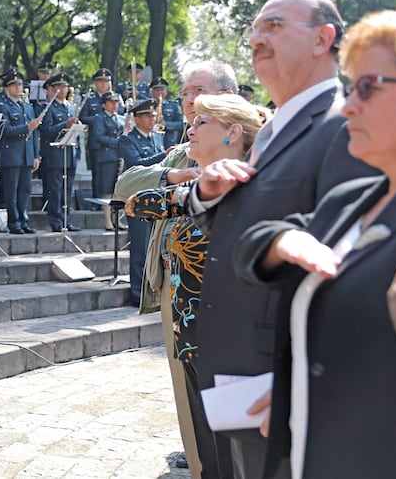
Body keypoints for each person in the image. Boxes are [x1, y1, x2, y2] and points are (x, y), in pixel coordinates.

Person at [189, 0, 377, 478]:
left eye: (274, 26)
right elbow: (262, 226)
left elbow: (348, 262)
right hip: (239, 377)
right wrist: (210, 196)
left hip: (279, 383)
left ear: (323, 38)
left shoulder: (344, 125)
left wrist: (307, 378)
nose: (257, 39)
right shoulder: (274, 130)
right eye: (254, 30)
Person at [234, 10, 396, 479]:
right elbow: (251, 246)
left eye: (367, 87)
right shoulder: (353, 200)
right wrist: (284, 239)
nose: (349, 106)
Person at [126, 94, 268, 477]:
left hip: (232, 349)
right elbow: (134, 204)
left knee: (240, 460)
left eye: (203, 121)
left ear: (233, 132)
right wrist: (189, 184)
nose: (190, 126)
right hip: (191, 342)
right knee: (211, 457)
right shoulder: (200, 192)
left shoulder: (252, 188)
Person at [114, 60, 238, 476]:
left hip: (224, 287)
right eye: (185, 94)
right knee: (184, 374)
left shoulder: (249, 145)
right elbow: (127, 187)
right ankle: (199, 454)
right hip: (176, 281)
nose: (187, 100)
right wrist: (178, 174)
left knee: (226, 381)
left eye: (197, 92)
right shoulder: (183, 149)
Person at [118, 98, 166, 305]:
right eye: (147, 116)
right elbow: (136, 164)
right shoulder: (127, 140)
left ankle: (152, 291)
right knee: (139, 248)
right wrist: (163, 156)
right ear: (136, 119)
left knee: (154, 248)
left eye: (153, 116)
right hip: (138, 199)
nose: (152, 119)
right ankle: (137, 294)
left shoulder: (156, 137)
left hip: (157, 197)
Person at [0, 68, 41, 234]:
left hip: (26, 154)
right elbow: (4, 130)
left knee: (25, 190)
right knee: (11, 191)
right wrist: (26, 127)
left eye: (20, 84)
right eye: (14, 85)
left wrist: (36, 155)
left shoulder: (27, 106)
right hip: (10, 154)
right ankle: (14, 222)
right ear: (6, 87)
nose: (18, 87)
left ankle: (23, 221)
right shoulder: (2, 105)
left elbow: (34, 135)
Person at [37, 73, 80, 232]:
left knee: (67, 190)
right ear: (51, 90)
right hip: (55, 154)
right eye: (59, 87)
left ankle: (66, 220)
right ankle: (56, 221)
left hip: (70, 153)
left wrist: (78, 152)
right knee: (55, 190)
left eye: (64, 87)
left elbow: (76, 133)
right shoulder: (48, 108)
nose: (63, 90)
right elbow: (46, 131)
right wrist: (64, 124)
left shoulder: (71, 107)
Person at [90, 90, 125, 230]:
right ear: (104, 105)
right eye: (111, 102)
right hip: (107, 157)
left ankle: (116, 219)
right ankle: (107, 220)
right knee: (106, 189)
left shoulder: (121, 118)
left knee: (117, 190)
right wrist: (117, 142)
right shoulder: (100, 118)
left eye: (116, 102)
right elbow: (99, 136)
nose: (114, 105)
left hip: (120, 157)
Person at [79, 68, 113, 171]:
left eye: (106, 81)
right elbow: (82, 118)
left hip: (113, 141)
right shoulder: (89, 99)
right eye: (100, 81)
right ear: (95, 83)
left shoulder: (116, 98)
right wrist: (99, 120)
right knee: (97, 174)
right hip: (96, 142)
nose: (103, 84)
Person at [151, 77, 184, 148]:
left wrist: (166, 124)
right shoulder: (146, 106)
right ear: (152, 92)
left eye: (162, 90)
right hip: (151, 141)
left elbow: (180, 125)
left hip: (168, 142)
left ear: (166, 91)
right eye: (157, 90)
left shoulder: (173, 105)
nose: (160, 92)